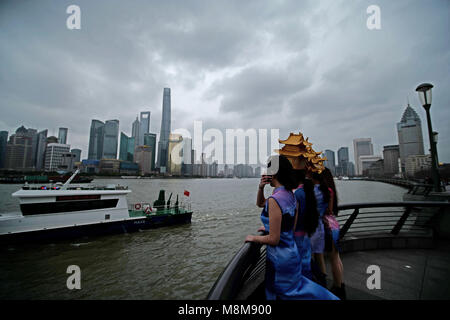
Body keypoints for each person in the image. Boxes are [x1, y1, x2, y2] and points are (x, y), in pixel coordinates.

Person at [246, 155, 338, 300]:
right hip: (292, 253)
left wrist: (254, 238)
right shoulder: (289, 194)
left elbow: (274, 239)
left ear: (274, 173)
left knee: (280, 294)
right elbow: (289, 226)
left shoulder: (275, 199)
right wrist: (261, 187)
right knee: (297, 292)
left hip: (280, 258)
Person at [320, 167, 346, 300]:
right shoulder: (331, 191)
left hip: (328, 227)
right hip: (335, 225)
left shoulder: (322, 192)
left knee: (331, 259)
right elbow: (331, 211)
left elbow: (325, 211)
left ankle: (337, 289)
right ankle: (340, 285)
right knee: (336, 258)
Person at [292, 169, 319, 280]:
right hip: (307, 232)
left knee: (298, 264)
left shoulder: (296, 194)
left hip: (297, 233)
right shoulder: (308, 191)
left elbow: (294, 217)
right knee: (306, 261)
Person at [310, 171, 329, 283]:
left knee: (309, 255)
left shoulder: (312, 192)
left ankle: (315, 281)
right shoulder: (325, 191)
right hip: (320, 225)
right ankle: (323, 280)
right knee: (319, 255)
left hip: (312, 227)